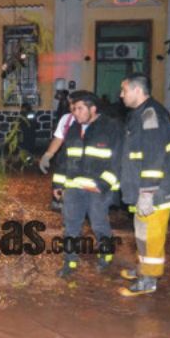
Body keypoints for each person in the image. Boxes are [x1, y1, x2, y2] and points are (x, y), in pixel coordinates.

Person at [117, 73, 170, 296]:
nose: (121, 95)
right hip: (148, 188)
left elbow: (154, 155)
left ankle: (149, 279)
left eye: (124, 90)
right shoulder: (141, 113)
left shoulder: (150, 115)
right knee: (142, 232)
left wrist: (147, 192)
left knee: (151, 236)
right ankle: (144, 269)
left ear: (137, 91)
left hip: (157, 190)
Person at [52, 91, 123, 277]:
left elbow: (118, 161)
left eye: (79, 108)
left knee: (99, 224)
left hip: (98, 188)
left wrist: (103, 184)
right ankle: (70, 261)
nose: (75, 112)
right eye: (73, 109)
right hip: (74, 187)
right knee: (71, 226)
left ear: (93, 109)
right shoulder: (73, 128)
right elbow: (64, 159)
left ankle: (105, 255)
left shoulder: (111, 127)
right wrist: (58, 184)